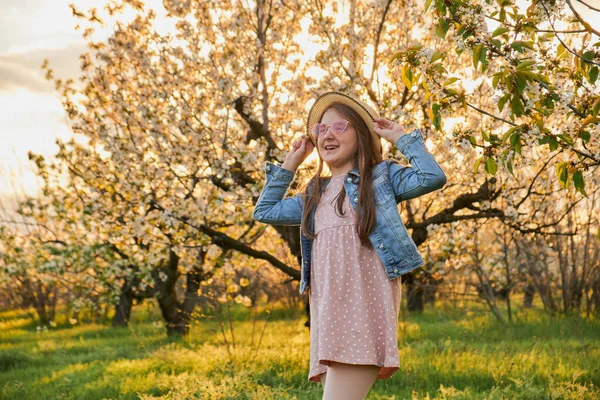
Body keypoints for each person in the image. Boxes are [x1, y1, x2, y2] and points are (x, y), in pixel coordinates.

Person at [253, 91, 447, 399]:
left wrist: (400, 137)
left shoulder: (380, 179)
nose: (327, 135)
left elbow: (432, 176)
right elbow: (264, 211)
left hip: (362, 319)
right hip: (329, 319)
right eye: (320, 130)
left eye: (338, 127)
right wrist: (291, 162)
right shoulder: (315, 195)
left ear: (361, 133)